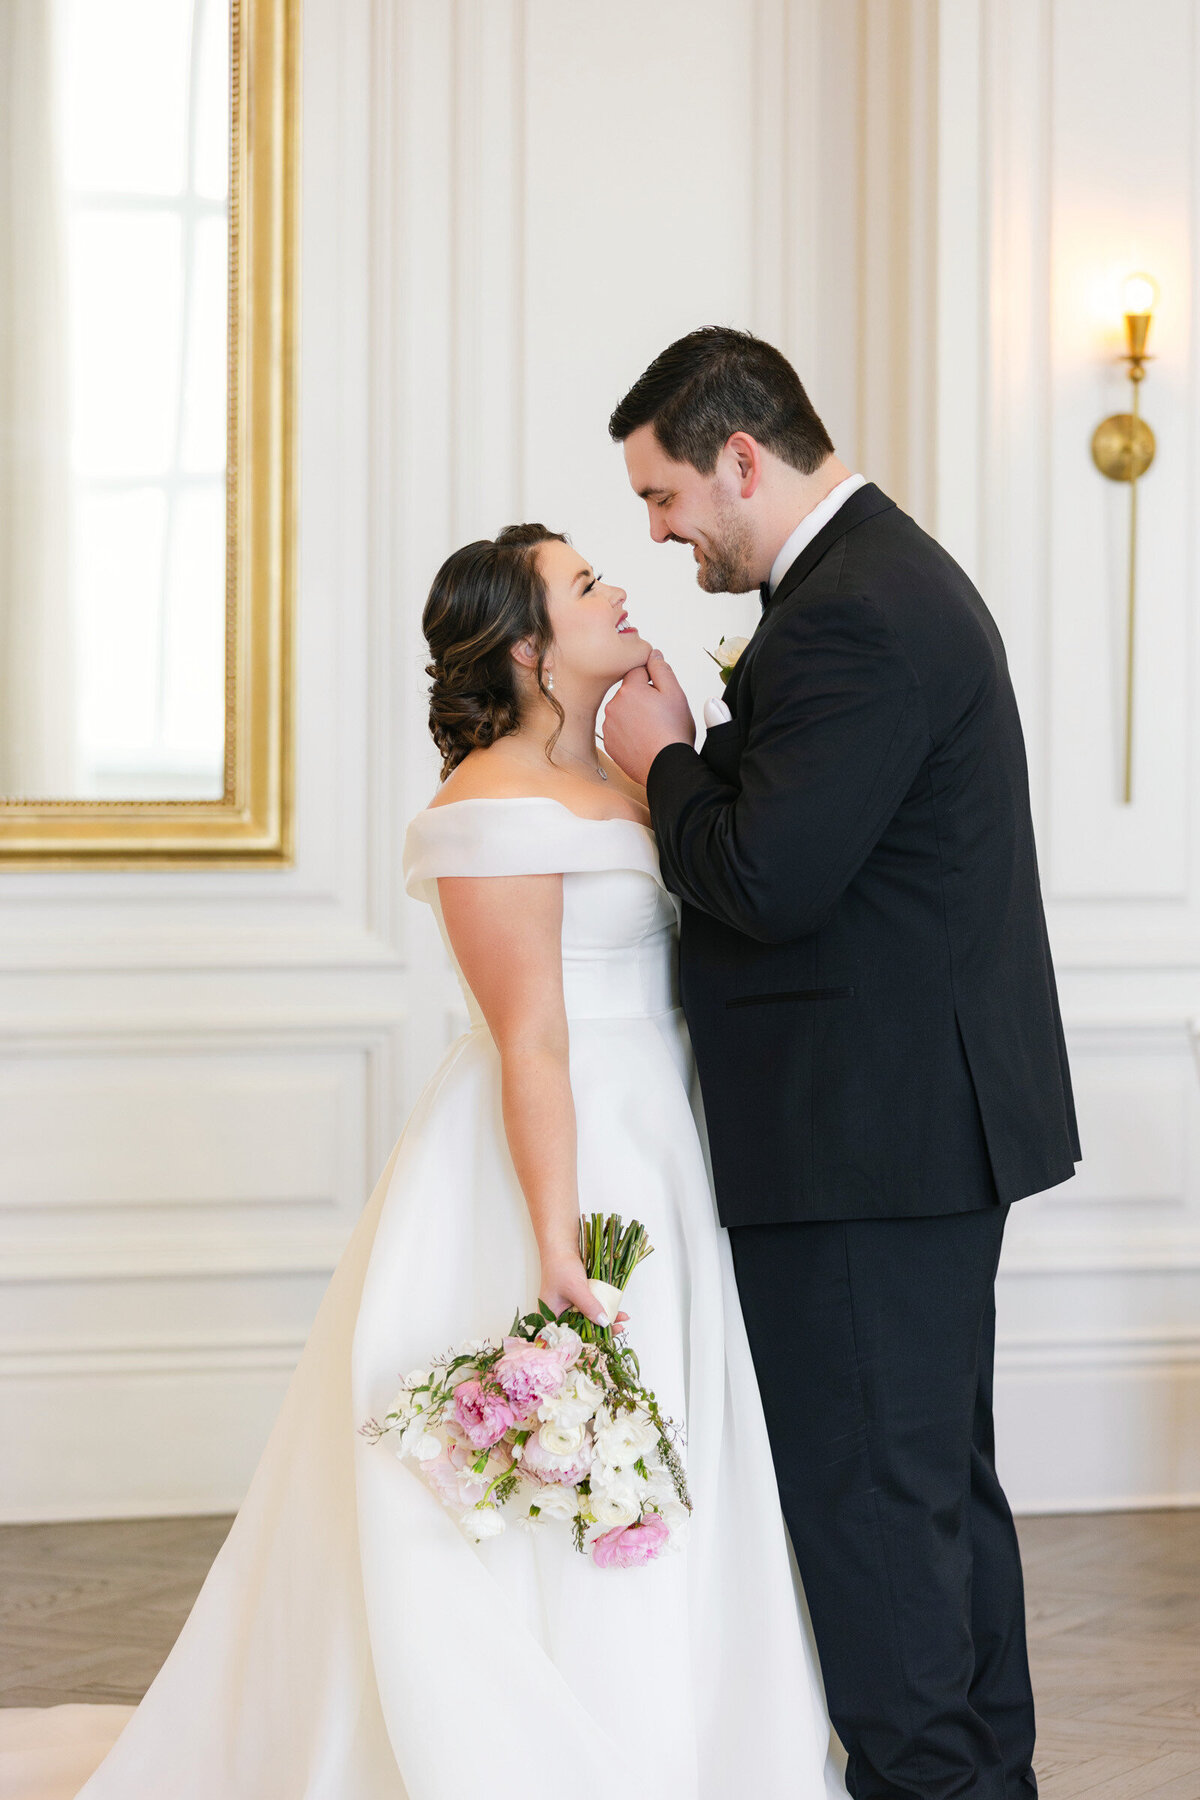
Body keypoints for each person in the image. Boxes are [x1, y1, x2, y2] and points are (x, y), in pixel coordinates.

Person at [0, 523, 846, 1800]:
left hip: (664, 1146)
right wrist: (556, 1239)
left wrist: (678, 749)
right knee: (547, 1455)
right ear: (525, 646)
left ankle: (683, 1740)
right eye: (583, 583)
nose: (618, 586)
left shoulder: (618, 782)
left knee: (672, 1445)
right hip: (557, 1162)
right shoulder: (486, 807)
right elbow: (535, 1039)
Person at [601, 325, 1082, 1800]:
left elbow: (767, 878)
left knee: (877, 1517)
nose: (664, 531)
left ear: (742, 457)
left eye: (666, 495)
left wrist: (658, 758)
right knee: (931, 1502)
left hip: (868, 1140)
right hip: (907, 1131)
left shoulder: (857, 610)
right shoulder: (864, 583)